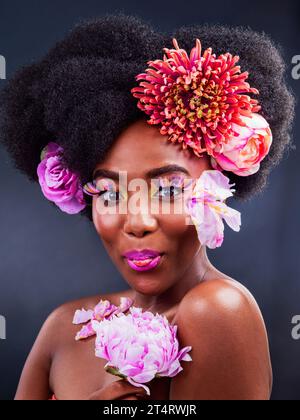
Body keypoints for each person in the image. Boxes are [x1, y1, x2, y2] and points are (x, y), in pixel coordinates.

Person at [0, 13, 294, 400]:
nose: (136, 222)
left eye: (169, 189)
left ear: (218, 189)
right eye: (109, 193)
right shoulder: (62, 327)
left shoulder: (217, 310)